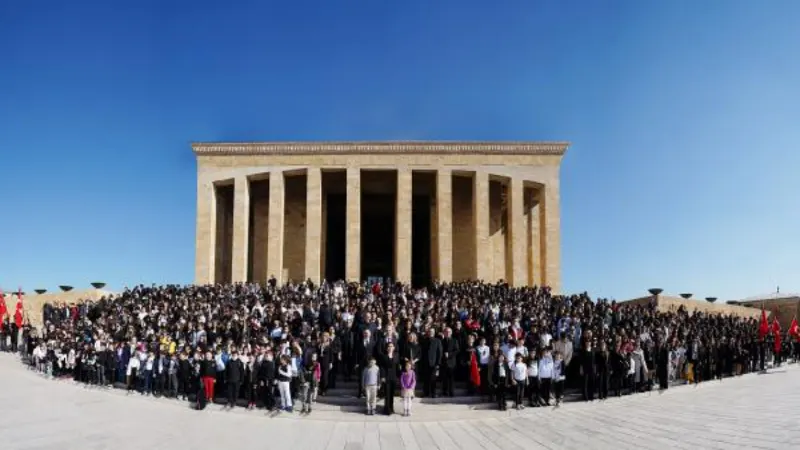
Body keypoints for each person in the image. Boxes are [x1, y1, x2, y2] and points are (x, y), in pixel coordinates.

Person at [380, 342, 400, 415]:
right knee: (387, 394)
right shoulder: (383, 356)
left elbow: (398, 367)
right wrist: (382, 377)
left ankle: (391, 408)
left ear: (394, 348)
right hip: (386, 377)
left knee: (392, 394)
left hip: (394, 377)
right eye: (389, 346)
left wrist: (398, 377)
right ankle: (387, 409)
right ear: (386, 348)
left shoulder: (396, 355)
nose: (390, 347)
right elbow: (382, 367)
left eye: (391, 346)